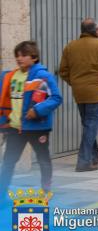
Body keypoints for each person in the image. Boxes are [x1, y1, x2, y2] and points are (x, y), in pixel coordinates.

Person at [0, 41, 62, 197]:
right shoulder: (10, 76)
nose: (19, 58)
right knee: (8, 163)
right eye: (17, 55)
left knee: (43, 160)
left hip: (37, 127)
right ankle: (1, 195)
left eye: (23, 55)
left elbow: (56, 98)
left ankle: (46, 191)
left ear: (34, 57)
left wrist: (37, 110)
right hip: (15, 128)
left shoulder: (42, 76)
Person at [59, 18, 98, 171]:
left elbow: (63, 71)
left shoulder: (70, 47)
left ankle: (94, 155)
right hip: (97, 92)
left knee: (88, 124)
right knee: (91, 125)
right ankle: (84, 161)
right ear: (95, 31)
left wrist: (75, 83)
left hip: (79, 93)